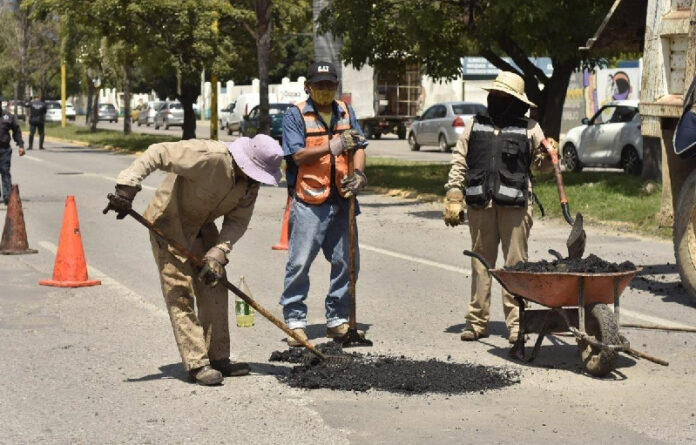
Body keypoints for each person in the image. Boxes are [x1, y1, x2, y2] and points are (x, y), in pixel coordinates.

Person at [104, 135, 283, 386]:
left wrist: (218, 252)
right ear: (244, 161)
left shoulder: (250, 185)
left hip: (201, 226)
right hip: (168, 223)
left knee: (215, 285)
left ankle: (219, 357)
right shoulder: (209, 156)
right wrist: (127, 187)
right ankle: (197, 363)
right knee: (180, 291)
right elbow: (158, 151)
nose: (255, 180)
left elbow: (237, 222)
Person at [443, 71, 555, 344]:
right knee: (481, 264)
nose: (497, 99)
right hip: (481, 204)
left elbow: (542, 166)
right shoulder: (475, 125)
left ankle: (517, 325)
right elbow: (460, 159)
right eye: (495, 95)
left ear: (515, 100)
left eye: (503, 96)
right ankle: (476, 322)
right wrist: (454, 193)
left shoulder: (530, 128)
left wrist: (551, 154)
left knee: (515, 267)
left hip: (515, 206)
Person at [279, 61, 368, 346]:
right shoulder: (295, 115)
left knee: (346, 262)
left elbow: (358, 147)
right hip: (309, 199)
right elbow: (297, 156)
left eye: (330, 85)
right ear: (308, 87)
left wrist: (360, 175)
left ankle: (338, 320)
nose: (325, 90)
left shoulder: (346, 111)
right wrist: (331, 146)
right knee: (300, 262)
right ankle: (294, 321)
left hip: (342, 198)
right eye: (319, 86)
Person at [0, 106, 26, 205]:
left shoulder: (8, 116)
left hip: (4, 149)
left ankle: (7, 196)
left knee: (5, 171)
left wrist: (21, 145)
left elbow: (16, 131)